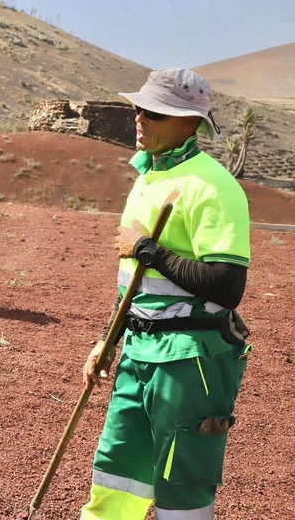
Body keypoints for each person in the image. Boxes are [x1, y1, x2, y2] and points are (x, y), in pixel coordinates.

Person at [81, 68, 251, 520]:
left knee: (183, 486)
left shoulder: (213, 187)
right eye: (140, 107)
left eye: (155, 112)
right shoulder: (147, 177)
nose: (140, 117)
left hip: (191, 360)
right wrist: (108, 339)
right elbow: (133, 282)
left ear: (189, 123)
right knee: (117, 473)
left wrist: (146, 249)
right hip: (138, 350)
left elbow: (228, 286)